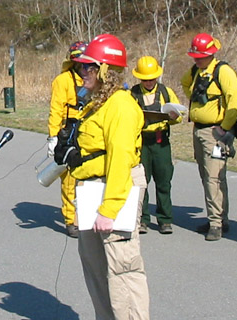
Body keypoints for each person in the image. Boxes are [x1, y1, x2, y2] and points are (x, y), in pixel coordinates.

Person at [67, 33, 149, 319]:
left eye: (87, 67)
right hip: (92, 188)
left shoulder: (121, 105)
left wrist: (110, 208)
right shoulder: (98, 103)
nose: (82, 72)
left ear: (104, 70)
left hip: (114, 188)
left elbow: (120, 160)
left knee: (122, 268)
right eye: (80, 67)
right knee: (96, 267)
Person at [180, 33, 237, 241]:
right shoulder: (197, 71)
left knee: (214, 178)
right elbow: (185, 83)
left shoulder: (223, 71)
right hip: (199, 130)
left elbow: (235, 100)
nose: (196, 60)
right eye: (194, 56)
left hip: (215, 133)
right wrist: (195, 95)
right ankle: (218, 218)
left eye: (200, 56)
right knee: (206, 176)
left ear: (211, 54)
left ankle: (216, 223)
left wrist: (224, 128)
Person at [130, 55, 182, 235]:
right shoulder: (132, 94)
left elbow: (179, 115)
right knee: (141, 182)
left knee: (164, 181)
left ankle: (165, 220)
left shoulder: (166, 92)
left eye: (152, 78)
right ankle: (142, 220)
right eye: (145, 79)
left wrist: (174, 117)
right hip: (141, 142)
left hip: (161, 142)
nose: (149, 82)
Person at [47, 40, 88, 238]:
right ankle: (71, 220)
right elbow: (56, 109)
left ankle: (87, 215)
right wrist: (53, 136)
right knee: (70, 179)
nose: (84, 67)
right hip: (69, 132)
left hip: (89, 131)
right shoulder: (63, 81)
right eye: (80, 62)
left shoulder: (94, 80)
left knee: (89, 177)